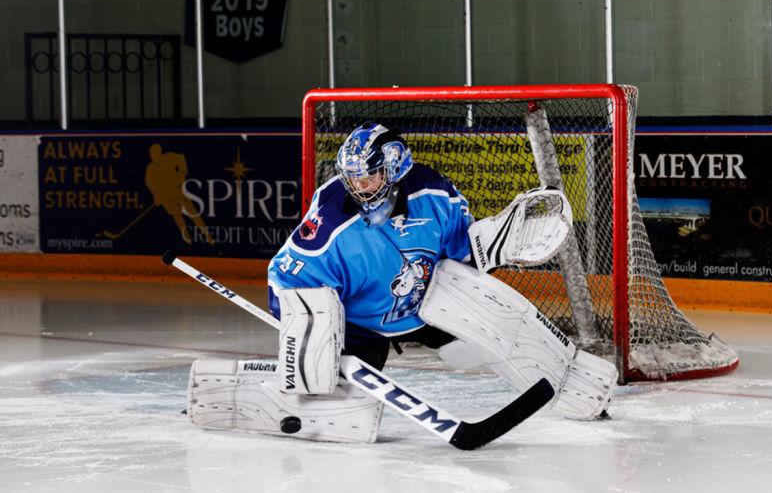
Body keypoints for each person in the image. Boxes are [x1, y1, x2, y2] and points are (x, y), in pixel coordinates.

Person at [185, 122, 617, 444]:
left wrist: (489, 246)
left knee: (496, 327)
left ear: (394, 170)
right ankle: (241, 394)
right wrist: (303, 322)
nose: (359, 186)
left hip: (427, 304)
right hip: (360, 325)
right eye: (352, 177)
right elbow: (285, 275)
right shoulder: (332, 221)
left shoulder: (436, 194)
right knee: (336, 407)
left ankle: (576, 386)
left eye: (369, 176)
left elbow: (460, 254)